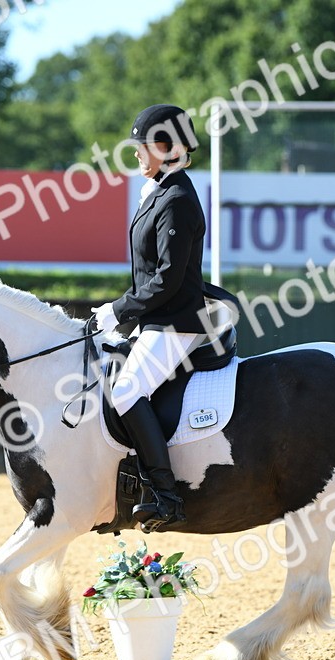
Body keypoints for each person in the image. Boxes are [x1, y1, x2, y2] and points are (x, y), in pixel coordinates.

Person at [91, 104, 207, 531]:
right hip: (155, 321)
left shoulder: (177, 198)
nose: (137, 153)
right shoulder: (159, 191)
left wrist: (119, 310)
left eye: (143, 145)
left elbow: (168, 279)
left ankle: (165, 494)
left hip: (177, 322)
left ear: (167, 147)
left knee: (125, 392)